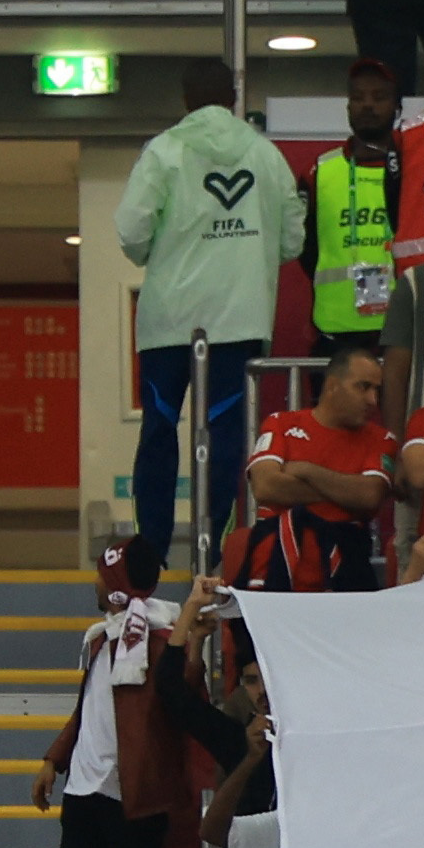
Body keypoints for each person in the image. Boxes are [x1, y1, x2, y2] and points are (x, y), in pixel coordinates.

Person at [114, 66, 297, 564]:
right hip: (240, 318)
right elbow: (292, 238)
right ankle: (215, 550)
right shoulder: (265, 154)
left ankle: (148, 549)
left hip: (169, 322)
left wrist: (166, 250)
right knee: (225, 436)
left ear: (185, 97)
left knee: (159, 427)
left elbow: (131, 230)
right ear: (235, 96)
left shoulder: (165, 150)